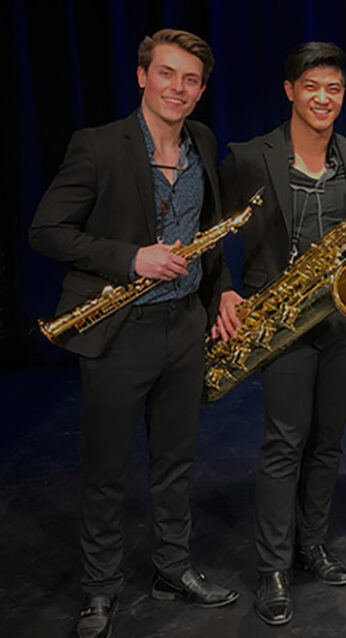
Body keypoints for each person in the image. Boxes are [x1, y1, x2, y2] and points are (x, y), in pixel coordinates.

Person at [28, 28, 239, 638]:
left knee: (176, 461)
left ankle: (173, 568)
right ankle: (100, 589)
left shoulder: (201, 141)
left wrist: (221, 285)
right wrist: (131, 258)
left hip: (184, 326)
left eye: (191, 79)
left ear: (201, 92)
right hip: (120, 330)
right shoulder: (97, 146)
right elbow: (46, 231)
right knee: (107, 470)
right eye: (167, 74)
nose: (179, 87)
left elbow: (209, 226)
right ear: (142, 76)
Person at [213, 42, 346, 626]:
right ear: (289, 91)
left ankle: (312, 545)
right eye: (311, 86)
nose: (323, 97)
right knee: (283, 444)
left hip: (342, 319)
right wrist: (224, 288)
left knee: (327, 443)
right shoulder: (251, 157)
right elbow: (208, 229)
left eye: (333, 87)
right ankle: (273, 567)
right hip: (280, 322)